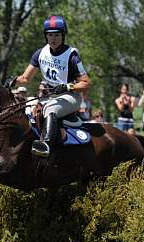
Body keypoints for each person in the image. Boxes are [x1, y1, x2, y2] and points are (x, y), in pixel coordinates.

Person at [5, 15, 91, 157]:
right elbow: (25, 78)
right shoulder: (40, 53)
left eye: (57, 35)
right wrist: (13, 81)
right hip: (49, 96)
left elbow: (86, 83)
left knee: (50, 109)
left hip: (70, 96)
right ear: (46, 36)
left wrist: (67, 87)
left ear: (63, 35)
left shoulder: (72, 56)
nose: (53, 38)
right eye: (50, 35)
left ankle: (45, 145)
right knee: (25, 107)